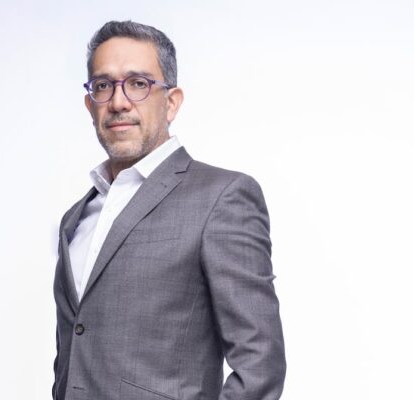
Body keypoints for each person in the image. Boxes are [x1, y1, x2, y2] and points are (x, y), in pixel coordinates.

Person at [52, 20, 286, 400]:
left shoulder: (221, 197)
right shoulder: (76, 217)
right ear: (89, 104)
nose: (119, 102)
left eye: (138, 84)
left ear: (172, 102)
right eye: (103, 85)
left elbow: (260, 364)